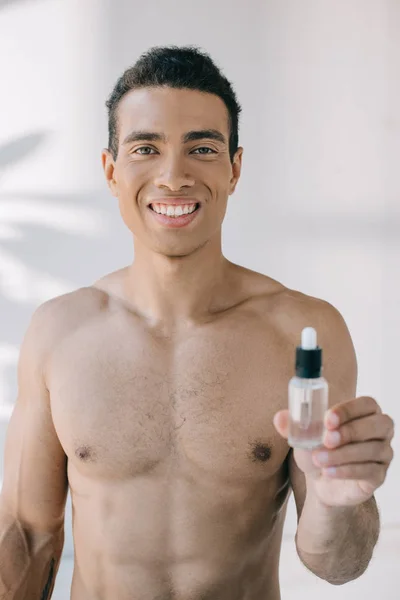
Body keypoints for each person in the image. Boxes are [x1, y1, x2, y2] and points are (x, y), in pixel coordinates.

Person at [0, 46, 394, 600]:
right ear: (112, 171)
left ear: (234, 168)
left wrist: (337, 500)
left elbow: (337, 563)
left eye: (202, 148)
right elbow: (27, 533)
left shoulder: (304, 331)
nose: (174, 176)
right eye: (145, 148)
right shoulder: (59, 332)